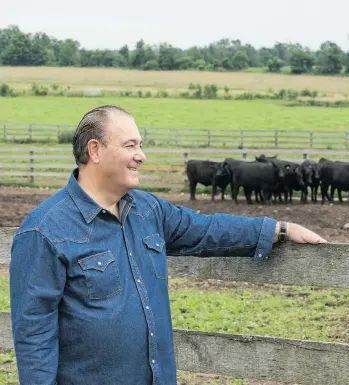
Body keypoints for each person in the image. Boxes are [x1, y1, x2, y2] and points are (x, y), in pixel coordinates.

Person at [9, 105, 327, 385]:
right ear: (95, 150)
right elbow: (34, 336)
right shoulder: (43, 231)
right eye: (131, 145)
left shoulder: (148, 210)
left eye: (141, 145)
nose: (141, 156)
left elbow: (205, 230)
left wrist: (278, 228)